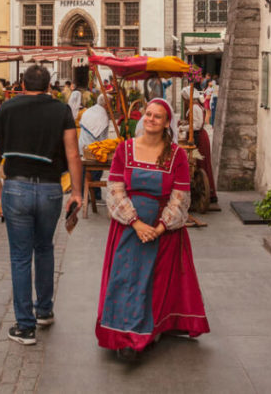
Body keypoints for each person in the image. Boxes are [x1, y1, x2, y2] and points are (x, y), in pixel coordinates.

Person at [96, 99, 209, 360]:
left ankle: (140, 335)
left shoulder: (177, 154)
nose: (150, 119)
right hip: (127, 227)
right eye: (148, 114)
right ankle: (121, 334)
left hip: (162, 230)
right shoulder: (124, 149)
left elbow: (180, 196)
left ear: (167, 123)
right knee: (124, 280)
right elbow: (114, 190)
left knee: (151, 284)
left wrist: (159, 228)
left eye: (157, 116)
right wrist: (135, 222)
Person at [0, 65, 83, 346]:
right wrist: (76, 192)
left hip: (16, 187)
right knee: (44, 248)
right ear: (49, 86)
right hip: (51, 187)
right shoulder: (61, 110)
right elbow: (73, 153)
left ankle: (25, 326)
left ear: (22, 84)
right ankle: (44, 310)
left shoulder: (6, 109)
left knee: (19, 256)